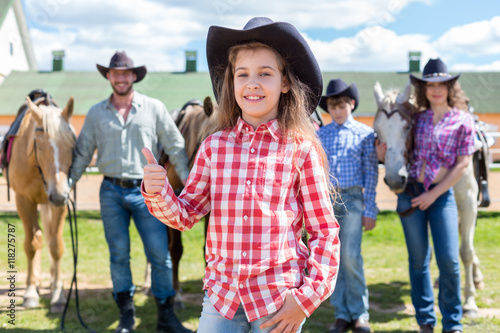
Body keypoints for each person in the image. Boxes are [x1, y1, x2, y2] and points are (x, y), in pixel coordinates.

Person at [141, 17, 340, 333]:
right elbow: (186, 214)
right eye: (242, 74)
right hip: (222, 298)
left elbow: (324, 231)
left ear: (285, 82)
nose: (253, 83)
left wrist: (307, 298)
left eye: (265, 73)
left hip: (277, 298)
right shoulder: (213, 147)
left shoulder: (301, 150)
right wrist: (158, 191)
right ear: (231, 83)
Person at [70, 51, 193, 333]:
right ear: (109, 77)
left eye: (126, 73)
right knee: (119, 255)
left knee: (159, 254)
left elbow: (175, 146)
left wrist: (187, 183)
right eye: (115, 73)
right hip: (111, 190)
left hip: (146, 192)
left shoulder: (154, 108)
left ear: (134, 75)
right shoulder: (96, 113)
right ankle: (126, 317)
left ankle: (166, 316)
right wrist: (68, 184)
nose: (121, 77)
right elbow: (82, 154)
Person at [377, 58, 474, 333]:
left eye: (442, 84)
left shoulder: (462, 120)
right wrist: (382, 153)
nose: (436, 90)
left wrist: (433, 195)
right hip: (410, 193)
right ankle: (426, 322)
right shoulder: (415, 117)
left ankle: (453, 322)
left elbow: (462, 164)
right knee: (418, 261)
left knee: (449, 261)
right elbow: (395, 138)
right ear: (424, 89)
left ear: (449, 87)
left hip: (440, 196)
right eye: (430, 85)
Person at [317, 79, 379, 333]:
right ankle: (341, 313)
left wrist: (370, 209)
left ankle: (360, 313)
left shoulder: (365, 134)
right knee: (334, 257)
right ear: (328, 109)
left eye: (342, 105)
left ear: (351, 104)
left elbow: (371, 174)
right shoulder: (320, 135)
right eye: (333, 106)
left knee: (351, 256)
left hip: (353, 199)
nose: (338, 110)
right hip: (328, 200)